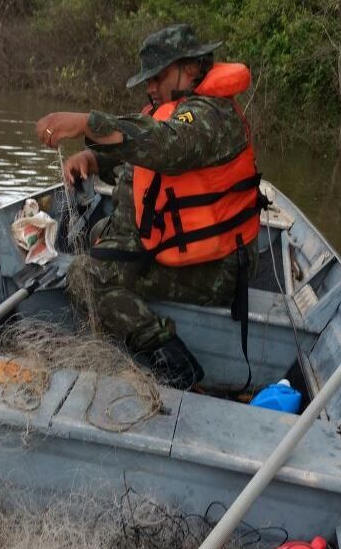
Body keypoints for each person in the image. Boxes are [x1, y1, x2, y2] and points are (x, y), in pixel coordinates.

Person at [35, 23, 264, 389]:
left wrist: (86, 123)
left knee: (85, 275)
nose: (150, 87)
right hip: (181, 245)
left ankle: (170, 355)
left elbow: (166, 144)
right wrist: (92, 159)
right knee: (98, 231)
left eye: (157, 77)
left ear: (189, 69)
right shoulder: (177, 108)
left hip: (218, 268)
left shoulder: (211, 116)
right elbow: (146, 157)